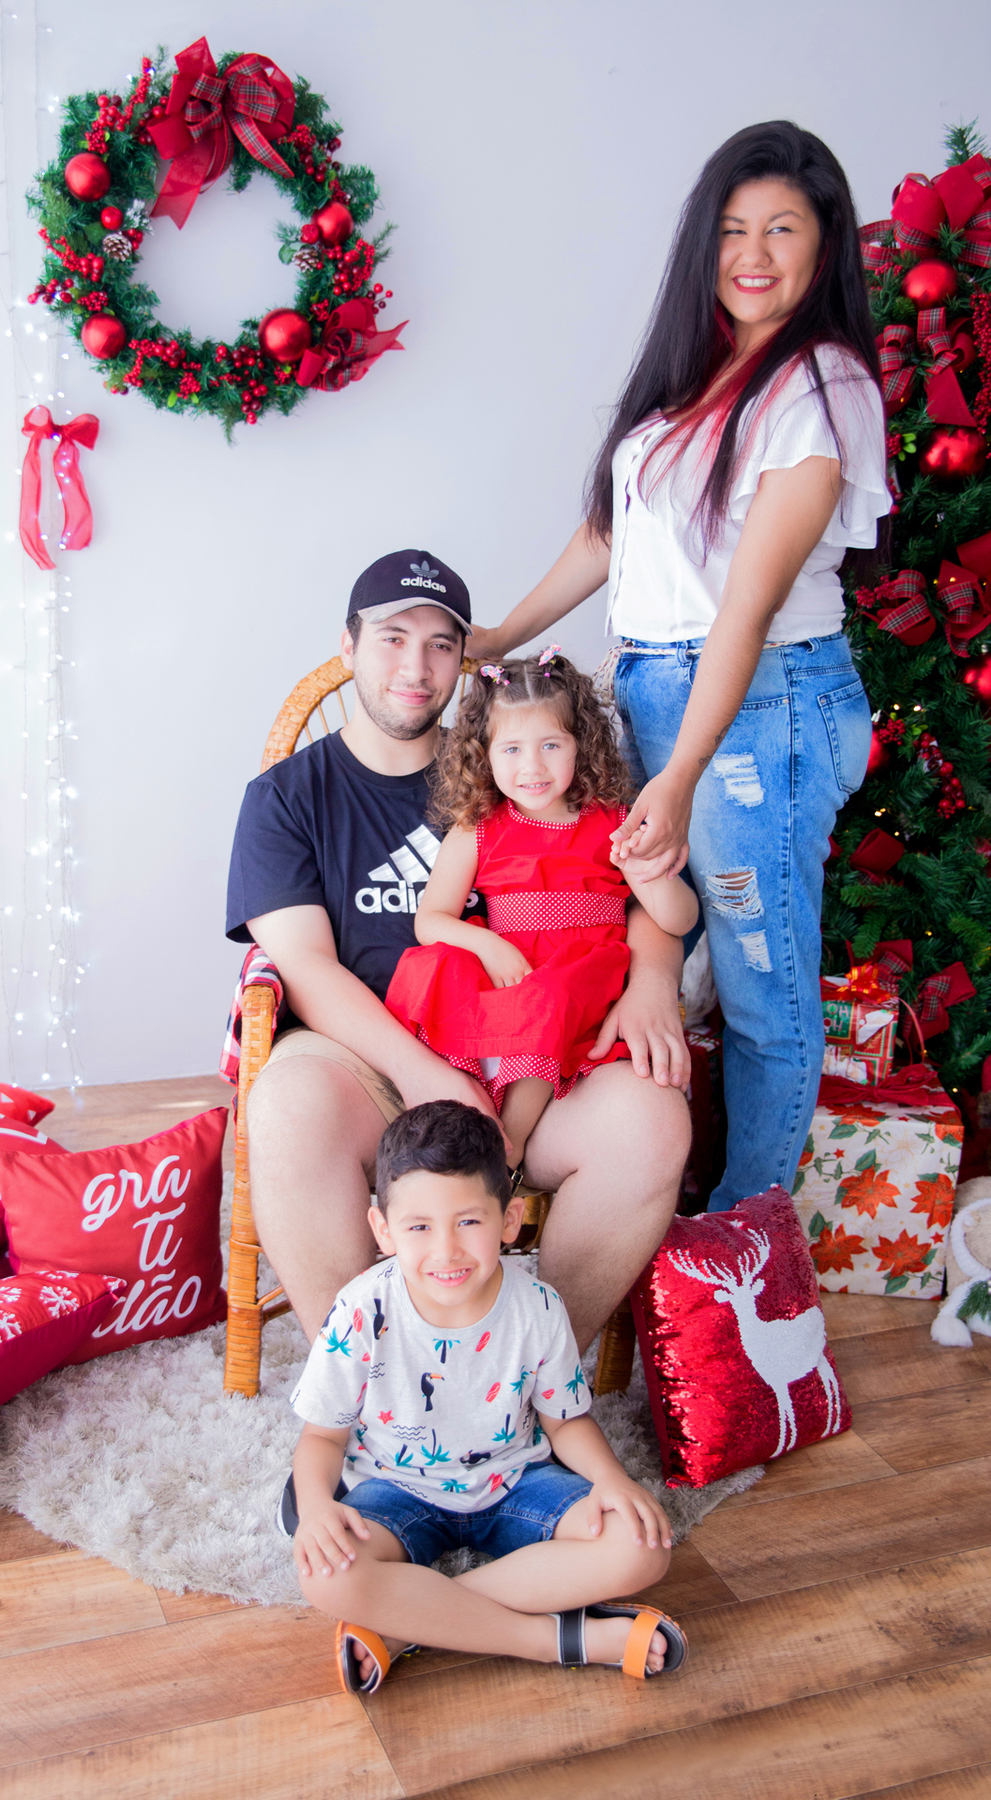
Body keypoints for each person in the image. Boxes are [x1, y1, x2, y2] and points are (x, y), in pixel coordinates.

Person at [467, 121, 890, 1212]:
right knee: (664, 953)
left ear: (823, 245)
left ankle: (741, 1238)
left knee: (762, 986)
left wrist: (683, 768)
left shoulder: (821, 384)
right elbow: (614, 537)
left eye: (782, 228)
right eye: (732, 229)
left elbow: (744, 607)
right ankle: (663, 1191)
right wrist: (502, 636)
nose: (753, 252)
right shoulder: (697, 378)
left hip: (756, 708)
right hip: (662, 690)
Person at [226, 549, 691, 1354]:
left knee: (651, 1120)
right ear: (348, 646)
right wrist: (423, 1073)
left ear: (465, 660)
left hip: (538, 1059)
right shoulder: (288, 799)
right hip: (368, 1065)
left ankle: (528, 1380)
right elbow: (303, 967)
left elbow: (619, 875)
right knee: (285, 1106)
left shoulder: (520, 758)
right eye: (392, 637)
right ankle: (369, 1389)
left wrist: (653, 974)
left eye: (442, 642)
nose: (416, 664)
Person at [289, 1100, 687, 1695]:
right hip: (397, 1491)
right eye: (419, 1227)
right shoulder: (361, 1309)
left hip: (516, 1484)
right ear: (384, 1230)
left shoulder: (538, 1308)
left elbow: (566, 1422)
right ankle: (556, 1641)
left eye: (468, 1222)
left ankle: (405, 1626)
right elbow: (321, 1436)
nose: (446, 1251)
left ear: (509, 1220)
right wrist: (317, 1506)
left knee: (641, 1547)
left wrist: (613, 1481)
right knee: (326, 1577)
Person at [386, 649, 697, 1169]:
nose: (531, 766)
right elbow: (430, 921)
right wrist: (487, 943)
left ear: (582, 745)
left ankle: (507, 1146)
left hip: (580, 973)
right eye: (511, 748)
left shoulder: (616, 820)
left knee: (547, 999)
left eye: (551, 744)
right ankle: (460, 1116)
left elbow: (681, 920)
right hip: (512, 963)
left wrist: (649, 875)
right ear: (484, 754)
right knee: (436, 968)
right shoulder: (478, 828)